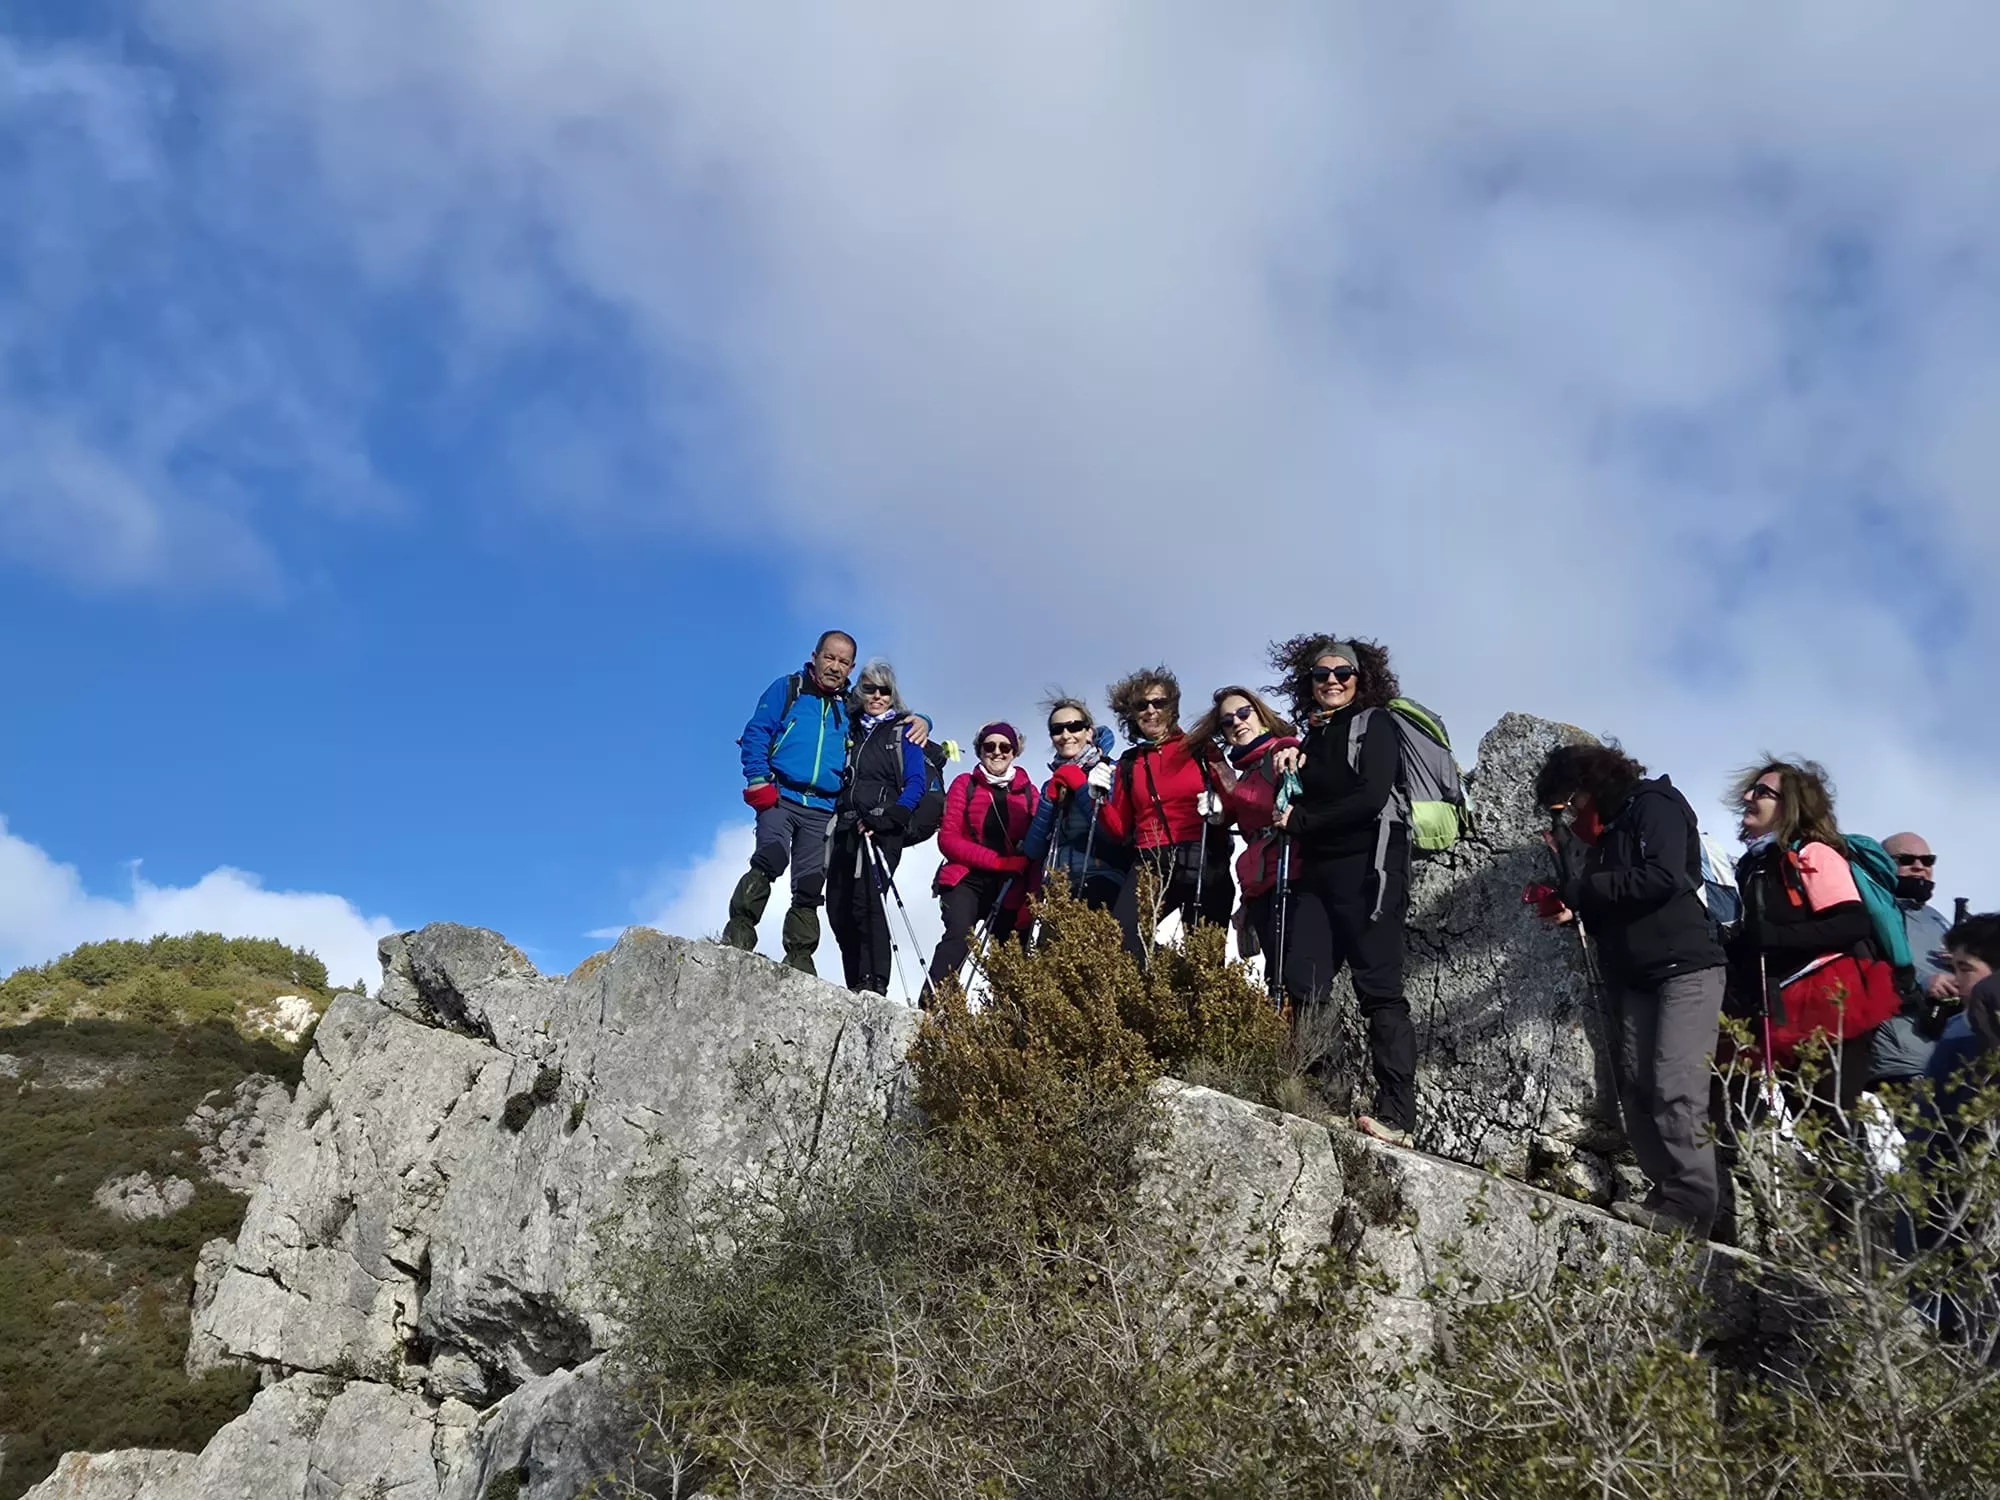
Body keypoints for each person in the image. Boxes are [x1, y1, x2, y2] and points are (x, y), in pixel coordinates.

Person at [1533, 743, 1728, 1237]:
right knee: (1639, 1086)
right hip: (1637, 973)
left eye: (1569, 801)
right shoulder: (1608, 837)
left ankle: (1692, 1206)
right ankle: (1667, 1194)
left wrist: (1586, 892)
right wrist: (1576, 909)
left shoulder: (1654, 805)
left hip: (1686, 968)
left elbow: (1661, 877)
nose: (1570, 814)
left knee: (1676, 1085)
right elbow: (1616, 900)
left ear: (1589, 783)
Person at [1267, 635, 1417, 1148]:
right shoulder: (1315, 734)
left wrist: (1302, 820)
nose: (1331, 680)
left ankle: (1397, 1116)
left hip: (1372, 871)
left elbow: (1373, 796)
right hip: (1320, 874)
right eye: (1321, 674)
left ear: (1361, 677)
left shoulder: (1375, 724)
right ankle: (1323, 1099)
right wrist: (1290, 763)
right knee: (1304, 981)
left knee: (1379, 992)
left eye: (1342, 672)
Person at [725, 631, 925, 974]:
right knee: (769, 858)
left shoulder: (849, 706)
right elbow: (757, 731)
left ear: (851, 668)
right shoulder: (788, 689)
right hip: (780, 795)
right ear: (815, 655)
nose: (835, 667)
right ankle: (739, 933)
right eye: (830, 658)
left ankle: (800, 957)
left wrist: (923, 721)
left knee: (809, 883)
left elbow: (887, 719)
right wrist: (758, 779)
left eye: (843, 662)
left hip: (822, 807)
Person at [1722, 759, 1900, 1116]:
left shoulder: (1812, 853)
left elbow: (1851, 923)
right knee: (1810, 1118)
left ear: (1790, 806)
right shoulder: (1755, 864)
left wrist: (1773, 938)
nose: (1747, 797)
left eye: (1762, 792)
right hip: (1786, 1003)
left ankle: (1849, 1172)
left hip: (1828, 1000)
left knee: (1830, 1115)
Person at [1094, 667, 1234, 960]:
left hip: (1204, 856)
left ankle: (1183, 990)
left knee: (1205, 959)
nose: (1151, 711)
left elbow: (1235, 801)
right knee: (1122, 940)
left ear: (1173, 707)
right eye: (1141, 705)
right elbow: (1119, 829)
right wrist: (1100, 800)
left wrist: (1220, 809)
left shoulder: (1201, 749)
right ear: (1132, 714)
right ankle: (1167, 982)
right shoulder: (1129, 763)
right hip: (1151, 860)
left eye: (1160, 703)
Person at [826, 660, 928, 996]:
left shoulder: (903, 731)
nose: (877, 696)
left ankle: (875, 982)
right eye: (870, 688)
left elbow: (916, 780)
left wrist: (895, 816)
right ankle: (854, 979)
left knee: (868, 900)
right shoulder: (849, 727)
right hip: (844, 824)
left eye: (885, 690)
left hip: (883, 826)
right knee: (838, 907)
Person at [1184, 686, 1298, 969]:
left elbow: (1268, 805)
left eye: (1244, 712)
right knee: (1275, 972)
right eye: (1227, 721)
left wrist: (1230, 788)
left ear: (1261, 715)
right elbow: (1246, 816)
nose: (1237, 722)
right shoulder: (1248, 770)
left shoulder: (1280, 751)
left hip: (1291, 876)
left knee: (1290, 971)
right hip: (1261, 882)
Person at [927, 722, 1039, 994]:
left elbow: (1038, 850)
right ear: (979, 751)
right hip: (965, 879)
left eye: (1005, 746)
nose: (997, 752)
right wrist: (999, 862)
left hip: (1011, 885)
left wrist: (1033, 899)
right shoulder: (964, 784)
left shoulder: (1029, 792)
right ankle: (931, 1008)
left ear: (1015, 752)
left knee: (1012, 954)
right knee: (959, 936)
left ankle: (1008, 1022)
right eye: (989, 746)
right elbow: (948, 840)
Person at [1022, 695, 1128, 911]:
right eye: (1057, 729)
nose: (1065, 735)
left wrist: (1081, 788)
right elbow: (1033, 850)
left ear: (1089, 732)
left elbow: (1113, 835)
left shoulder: (1112, 772)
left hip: (1103, 880)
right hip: (1057, 887)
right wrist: (1047, 802)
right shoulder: (1051, 784)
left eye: (1074, 727)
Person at [1868, 832, 1957, 1083]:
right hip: (1903, 1059)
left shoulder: (1937, 917)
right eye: (1906, 860)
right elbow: (1866, 969)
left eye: (1927, 861)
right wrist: (1926, 982)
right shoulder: (1872, 912)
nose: (1919, 867)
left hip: (1952, 1056)